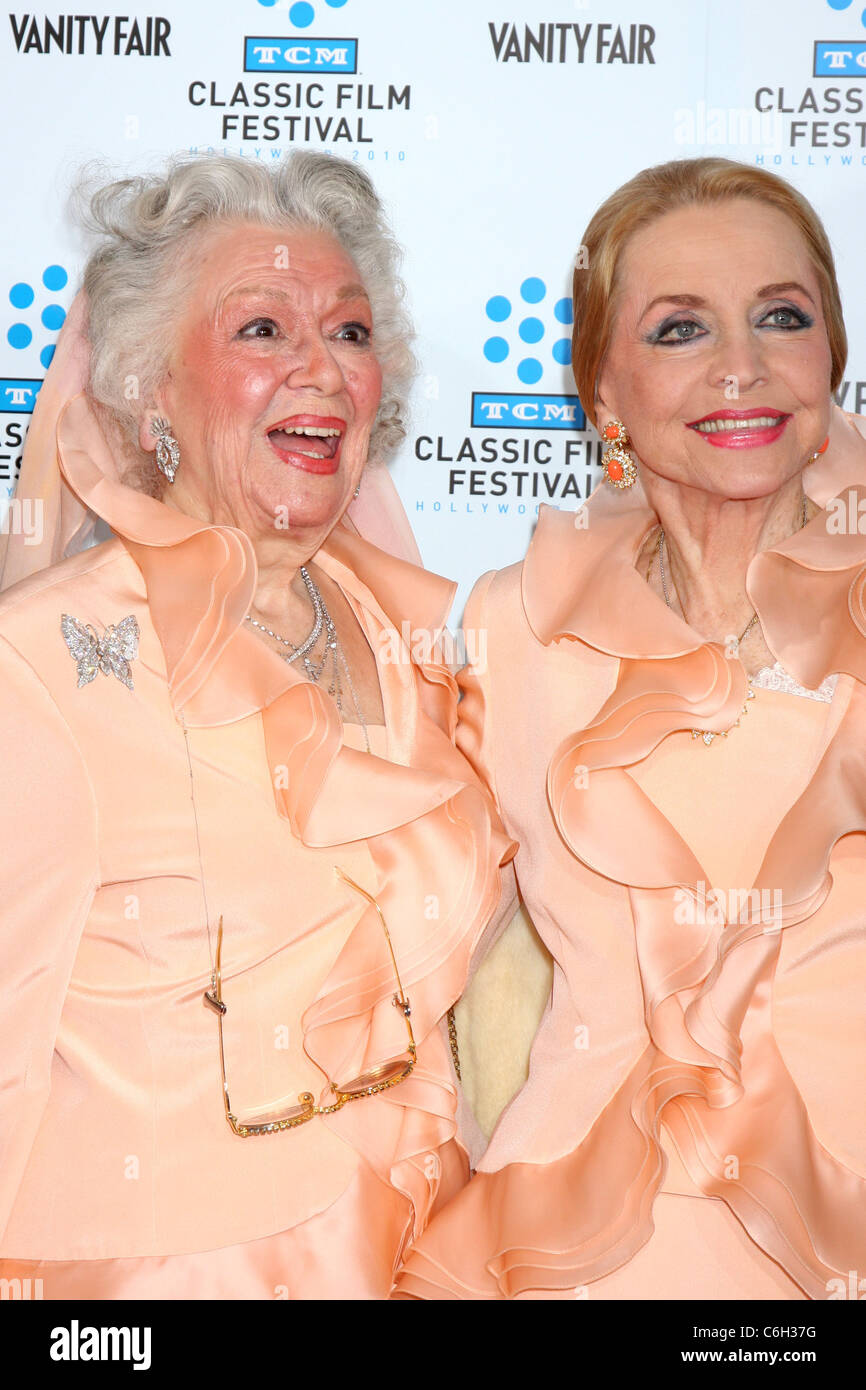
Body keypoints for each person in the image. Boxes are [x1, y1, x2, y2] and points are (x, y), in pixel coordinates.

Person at [0, 150, 513, 1299]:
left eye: (348, 330)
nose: (320, 371)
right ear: (146, 386)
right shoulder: (37, 666)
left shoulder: (408, 639)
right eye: (262, 332)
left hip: (409, 1246)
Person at [394, 157, 866, 1300]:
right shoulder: (511, 628)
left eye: (780, 317)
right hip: (582, 1246)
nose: (738, 366)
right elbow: (409, 929)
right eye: (677, 329)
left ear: (831, 361)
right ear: (597, 392)